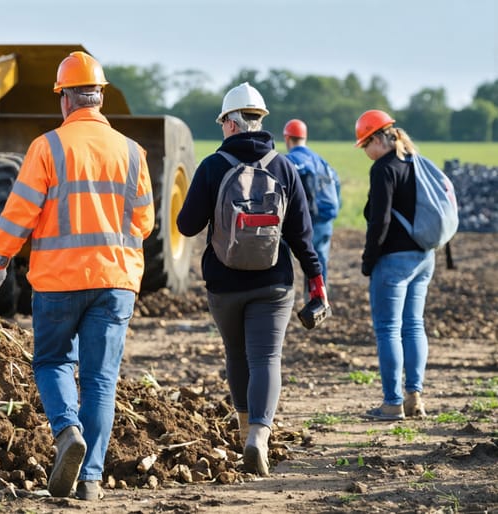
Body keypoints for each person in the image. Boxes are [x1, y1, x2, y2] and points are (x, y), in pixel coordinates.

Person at [0, 51, 154, 501]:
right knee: (100, 381)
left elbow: (19, 215)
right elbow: (145, 223)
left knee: (53, 363)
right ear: (99, 98)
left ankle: (66, 431)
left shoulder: (48, 147)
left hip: (58, 283)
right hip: (116, 282)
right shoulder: (133, 152)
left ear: (65, 100)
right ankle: (90, 479)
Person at [176, 82, 327, 476]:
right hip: (274, 283)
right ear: (260, 121)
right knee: (266, 358)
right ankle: (258, 436)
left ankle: (244, 428)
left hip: (224, 285)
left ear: (229, 123)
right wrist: (317, 283)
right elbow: (302, 236)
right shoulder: (285, 167)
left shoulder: (212, 166)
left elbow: (187, 225)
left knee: (237, 355)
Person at [354, 109, 434, 421]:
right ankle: (415, 398)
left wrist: (368, 259)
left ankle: (392, 403)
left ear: (376, 138)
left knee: (388, 328)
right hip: (424, 257)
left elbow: (380, 219)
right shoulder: (414, 161)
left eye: (364, 145)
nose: (365, 153)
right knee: (414, 325)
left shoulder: (384, 168)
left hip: (394, 261)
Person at [283, 119, 342, 283]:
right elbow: (336, 187)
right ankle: (319, 300)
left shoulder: (289, 161)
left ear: (287, 138)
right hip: (325, 220)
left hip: (302, 223)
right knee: (318, 265)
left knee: (284, 262)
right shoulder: (322, 162)